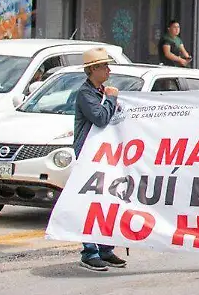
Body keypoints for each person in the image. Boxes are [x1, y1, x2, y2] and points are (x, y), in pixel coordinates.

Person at [73, 47, 127, 272]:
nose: (108, 70)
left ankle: (106, 249)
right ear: (93, 69)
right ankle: (90, 252)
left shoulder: (102, 92)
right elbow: (100, 118)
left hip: (105, 156)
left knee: (107, 202)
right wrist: (112, 99)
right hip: (89, 156)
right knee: (91, 204)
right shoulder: (86, 94)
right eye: (104, 66)